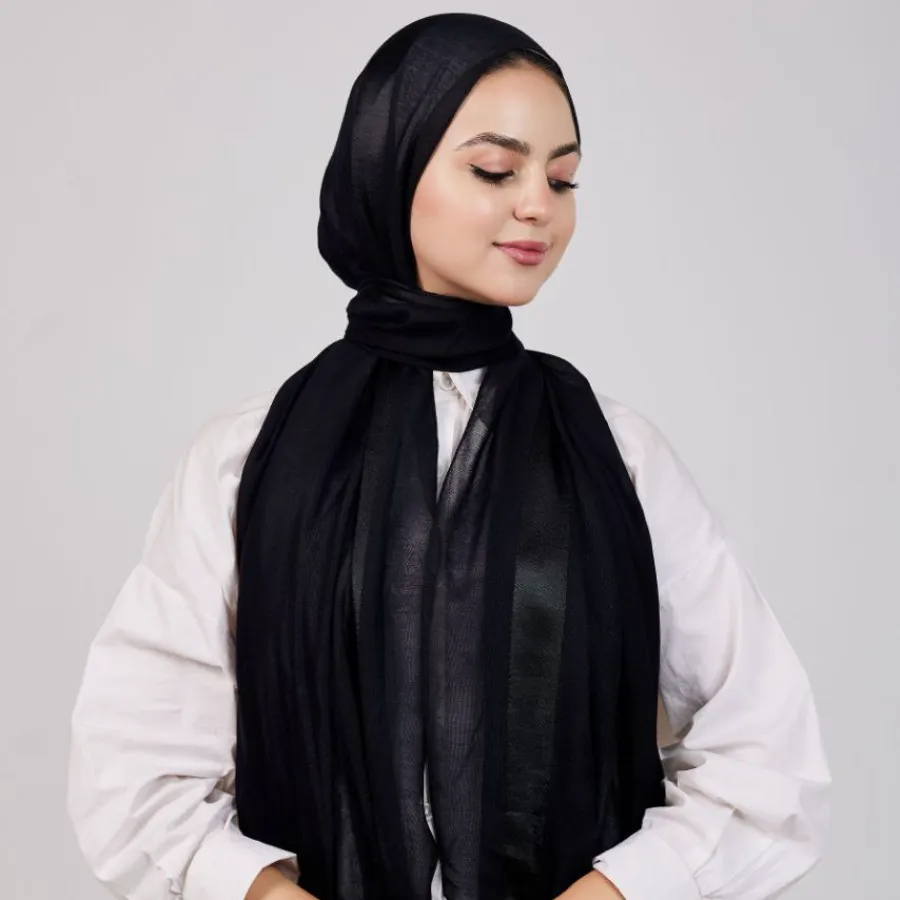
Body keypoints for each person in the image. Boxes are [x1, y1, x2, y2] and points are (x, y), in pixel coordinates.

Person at [67, 13, 831, 900]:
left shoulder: (615, 457)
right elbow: (135, 763)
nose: (539, 205)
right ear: (388, 170)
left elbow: (767, 748)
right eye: (496, 170)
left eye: (563, 178)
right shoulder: (248, 460)